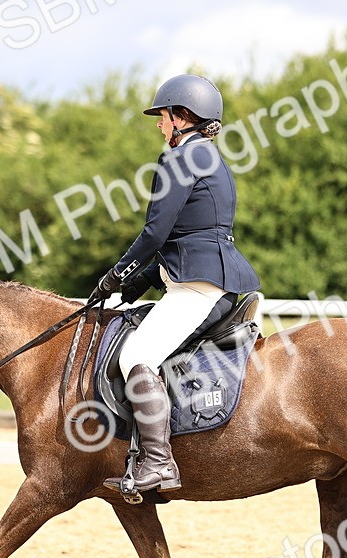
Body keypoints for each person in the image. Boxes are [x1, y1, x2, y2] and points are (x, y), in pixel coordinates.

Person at [93, 74, 260, 495]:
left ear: (182, 116)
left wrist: (117, 274)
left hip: (197, 289)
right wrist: (135, 286)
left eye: (163, 117)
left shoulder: (180, 159)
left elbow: (154, 234)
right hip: (211, 280)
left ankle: (157, 464)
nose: (159, 125)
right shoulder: (210, 158)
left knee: (135, 356)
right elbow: (187, 238)